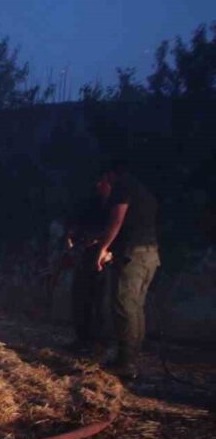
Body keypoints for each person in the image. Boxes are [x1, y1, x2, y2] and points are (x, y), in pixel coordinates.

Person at [94, 160, 159, 380]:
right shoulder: (142, 189)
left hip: (133, 254)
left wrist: (103, 248)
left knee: (123, 305)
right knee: (135, 307)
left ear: (110, 175)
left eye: (103, 179)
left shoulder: (123, 187)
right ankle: (129, 357)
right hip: (149, 254)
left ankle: (126, 363)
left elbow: (116, 219)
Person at [62, 180, 111, 354]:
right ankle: (83, 339)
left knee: (99, 300)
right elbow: (73, 227)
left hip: (103, 258)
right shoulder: (89, 205)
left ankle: (98, 343)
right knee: (80, 297)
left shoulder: (113, 206)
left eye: (102, 182)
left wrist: (102, 246)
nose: (98, 185)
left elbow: (112, 231)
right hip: (85, 254)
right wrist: (73, 241)